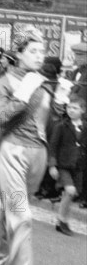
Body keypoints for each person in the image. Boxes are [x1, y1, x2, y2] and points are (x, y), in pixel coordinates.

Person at [0, 26, 50, 265]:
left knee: (13, 215)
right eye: (33, 51)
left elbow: (43, 123)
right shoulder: (4, 82)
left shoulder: (42, 83)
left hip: (36, 155)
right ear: (18, 53)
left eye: (42, 51)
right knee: (22, 217)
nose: (39, 56)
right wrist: (21, 96)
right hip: (12, 152)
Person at [48, 96, 87, 236]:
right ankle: (62, 221)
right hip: (63, 165)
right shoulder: (61, 126)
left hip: (78, 167)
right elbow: (52, 147)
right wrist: (52, 165)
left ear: (83, 110)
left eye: (75, 108)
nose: (71, 110)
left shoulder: (85, 127)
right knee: (69, 191)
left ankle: (62, 220)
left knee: (71, 195)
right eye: (69, 107)